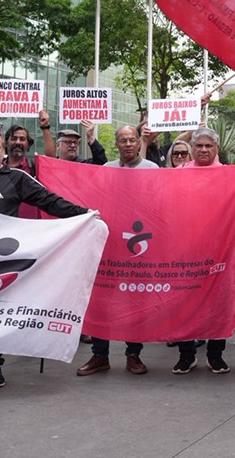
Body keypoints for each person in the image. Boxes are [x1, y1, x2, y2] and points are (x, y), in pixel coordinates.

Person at [0, 128, 92, 392]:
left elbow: (49, 201)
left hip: (2, 262)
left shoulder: (17, 178)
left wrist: (84, 214)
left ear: (3, 152)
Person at [76, 125, 156, 378]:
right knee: (103, 299)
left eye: (133, 140)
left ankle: (134, 354)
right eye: (123, 141)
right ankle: (100, 355)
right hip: (109, 244)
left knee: (135, 299)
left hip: (139, 241)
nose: (129, 144)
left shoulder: (153, 170)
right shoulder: (107, 169)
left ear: (138, 141)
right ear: (117, 145)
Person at [171, 127, 230, 375]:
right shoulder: (177, 174)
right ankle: (186, 355)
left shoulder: (230, 175)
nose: (204, 150)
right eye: (199, 146)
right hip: (185, 250)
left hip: (220, 250)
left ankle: (215, 356)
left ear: (216, 148)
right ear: (192, 149)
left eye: (209, 146)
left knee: (219, 304)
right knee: (184, 303)